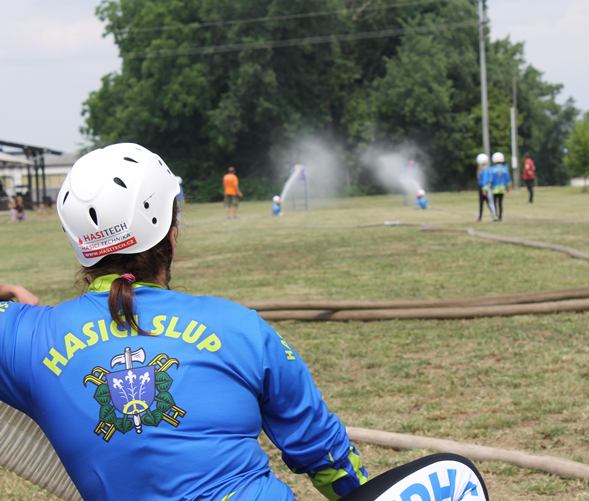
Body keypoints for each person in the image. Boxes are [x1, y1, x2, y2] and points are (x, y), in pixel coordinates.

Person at [0, 143, 487, 501]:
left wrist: (9, 295)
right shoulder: (240, 327)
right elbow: (325, 454)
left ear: (79, 245)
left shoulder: (26, 338)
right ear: (171, 232)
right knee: (455, 477)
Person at [489, 152, 511, 222]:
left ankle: (495, 215)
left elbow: (491, 179)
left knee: (494, 203)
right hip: (502, 188)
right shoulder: (505, 169)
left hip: (494, 189)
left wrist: (489, 186)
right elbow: (507, 180)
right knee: (500, 203)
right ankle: (500, 217)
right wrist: (508, 188)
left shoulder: (492, 169)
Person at [475, 153, 494, 222]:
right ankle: (480, 217)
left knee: (488, 202)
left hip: (484, 188)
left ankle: (493, 215)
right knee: (484, 202)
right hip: (483, 187)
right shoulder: (484, 169)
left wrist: (484, 189)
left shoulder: (484, 170)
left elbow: (485, 180)